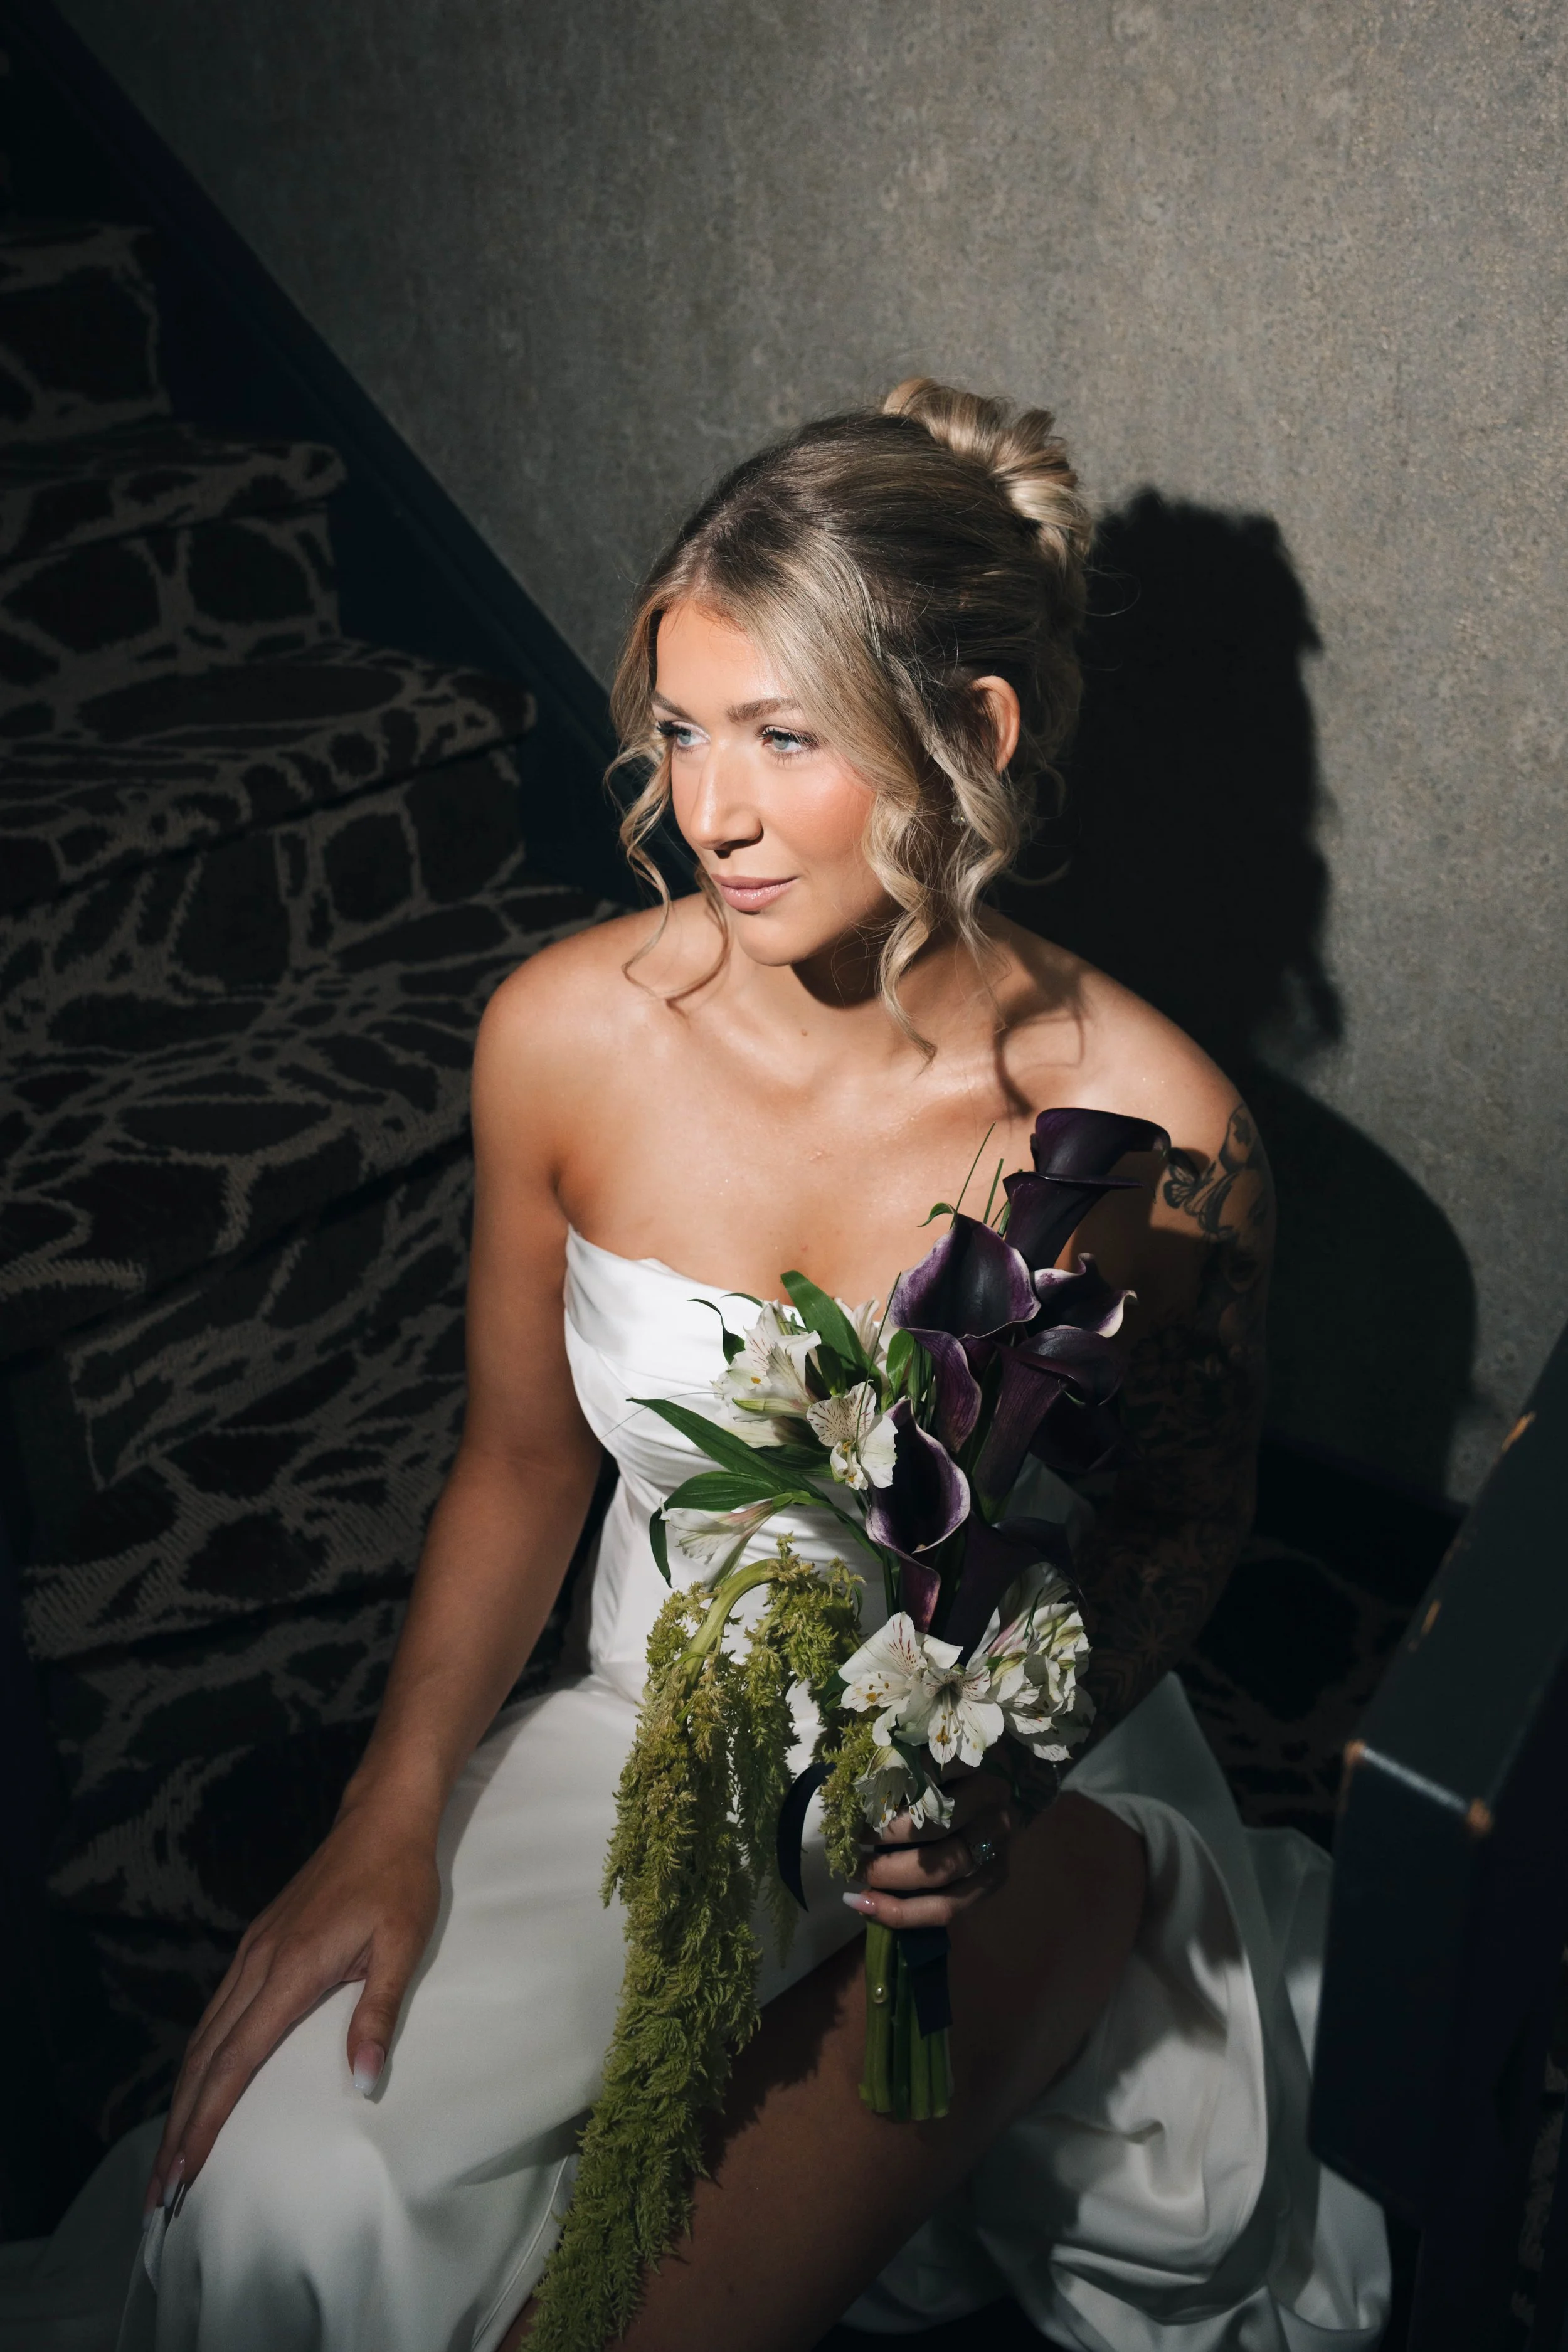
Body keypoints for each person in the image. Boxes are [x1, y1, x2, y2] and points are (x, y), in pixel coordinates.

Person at [104, 379, 1387, 2351]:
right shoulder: (562, 1035)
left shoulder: (1158, 1137)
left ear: (970, 737)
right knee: (292, 2191)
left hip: (969, 1803)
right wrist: (389, 1803)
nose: (707, 809)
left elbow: (1175, 1522)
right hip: (651, 1729)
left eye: (784, 737)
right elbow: (521, 1461)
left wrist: (1002, 1771)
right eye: (684, 729)